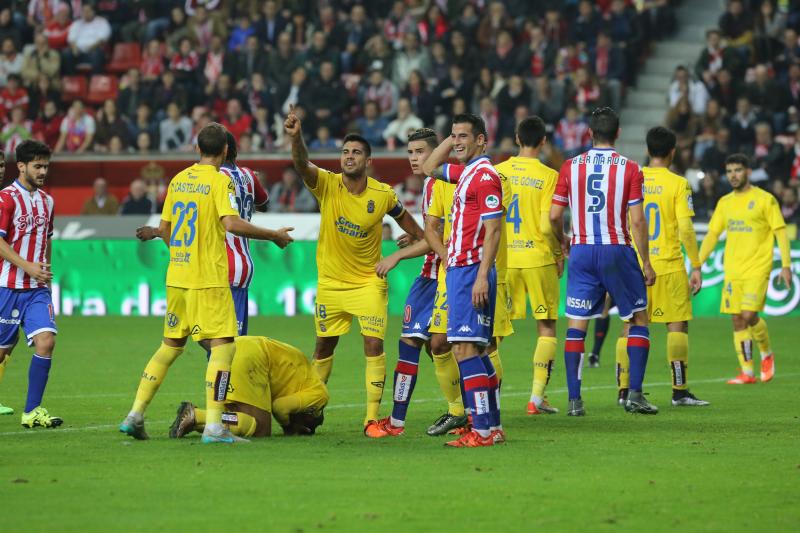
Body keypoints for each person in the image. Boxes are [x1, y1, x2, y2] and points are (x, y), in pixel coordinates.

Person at [119, 122, 294, 444]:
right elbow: (231, 223)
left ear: (197, 148)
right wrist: (273, 236)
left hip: (177, 277)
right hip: (209, 280)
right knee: (225, 346)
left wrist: (184, 256)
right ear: (225, 151)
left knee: (170, 346)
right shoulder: (218, 181)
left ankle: (135, 414)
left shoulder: (179, 179)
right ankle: (214, 426)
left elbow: (166, 229)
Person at [283, 105, 424, 432]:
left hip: (367, 282)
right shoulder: (327, 184)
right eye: (345, 152)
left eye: (357, 152)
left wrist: (410, 240)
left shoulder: (384, 195)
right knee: (323, 346)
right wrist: (297, 137)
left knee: (373, 345)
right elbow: (302, 164)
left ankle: (372, 417)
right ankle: (312, 411)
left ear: (368, 161)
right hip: (331, 283)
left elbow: (415, 230)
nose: (349, 156)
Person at [549, 107, 657, 416]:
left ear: (590, 133)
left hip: (582, 250)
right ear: (618, 133)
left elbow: (555, 215)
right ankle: (635, 394)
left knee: (576, 325)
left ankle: (574, 401)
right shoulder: (631, 169)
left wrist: (563, 239)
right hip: (616, 249)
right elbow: (637, 222)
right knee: (638, 318)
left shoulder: (570, 167)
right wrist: (646, 262)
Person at [364, 128, 466, 438]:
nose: (413, 158)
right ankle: (396, 423)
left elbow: (442, 238)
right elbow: (434, 234)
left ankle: (463, 412)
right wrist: (420, 236)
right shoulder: (431, 185)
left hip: (450, 274)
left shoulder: (452, 182)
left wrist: (401, 255)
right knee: (409, 342)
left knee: (443, 345)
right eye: (410, 153)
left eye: (420, 152)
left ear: (437, 154)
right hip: (428, 276)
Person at [422, 113, 505, 448]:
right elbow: (428, 167)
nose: (456, 142)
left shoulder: (484, 177)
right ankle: (493, 426)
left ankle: (482, 430)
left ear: (482, 140)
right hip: (461, 270)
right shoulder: (466, 173)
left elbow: (494, 229)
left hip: (471, 270)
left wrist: (482, 276)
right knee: (476, 351)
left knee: (465, 349)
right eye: (453, 136)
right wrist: (453, 138)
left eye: (464, 137)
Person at [616, 127, 709, 407]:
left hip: (634, 264)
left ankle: (624, 390)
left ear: (648, 149)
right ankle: (679, 391)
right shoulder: (678, 183)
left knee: (630, 327)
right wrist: (696, 264)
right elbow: (686, 229)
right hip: (667, 265)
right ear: (672, 151)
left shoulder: (632, 177)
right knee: (676, 324)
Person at [699, 154, 792, 385]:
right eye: (729, 171)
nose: (733, 175)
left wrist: (787, 266)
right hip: (733, 271)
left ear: (748, 172)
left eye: (738, 170)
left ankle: (767, 353)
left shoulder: (765, 199)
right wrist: (697, 264)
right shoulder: (725, 203)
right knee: (737, 320)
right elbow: (712, 235)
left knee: (750, 315)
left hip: (757, 268)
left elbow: (780, 231)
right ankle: (747, 372)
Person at [498, 116, 562, 415]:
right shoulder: (549, 175)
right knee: (546, 327)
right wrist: (560, 253)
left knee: (493, 330)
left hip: (505, 259)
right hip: (538, 259)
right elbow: (549, 226)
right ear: (544, 141)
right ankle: (536, 398)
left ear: (516, 137)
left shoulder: (498, 172)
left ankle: (490, 395)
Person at [0, 141, 60, 426]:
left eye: (46, 166)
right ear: (21, 166)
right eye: (37, 166)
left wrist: (44, 271)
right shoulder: (6, 198)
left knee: (46, 342)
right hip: (8, 287)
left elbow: (46, 240)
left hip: (37, 290)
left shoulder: (48, 201)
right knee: (2, 352)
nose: (43, 171)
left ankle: (32, 411)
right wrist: (28, 267)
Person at [169, 336, 328, 438]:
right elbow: (280, 408)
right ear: (312, 413)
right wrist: (289, 428)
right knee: (260, 428)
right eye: (311, 426)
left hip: (233, 349)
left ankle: (195, 420)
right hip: (253, 357)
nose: (309, 429)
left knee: (234, 415)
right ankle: (197, 415)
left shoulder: (304, 380)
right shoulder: (320, 395)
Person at [218, 132, 269, 335]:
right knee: (225, 340)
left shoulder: (214, 178)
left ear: (222, 151)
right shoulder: (248, 174)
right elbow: (264, 205)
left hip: (221, 265)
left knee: (229, 342)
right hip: (241, 265)